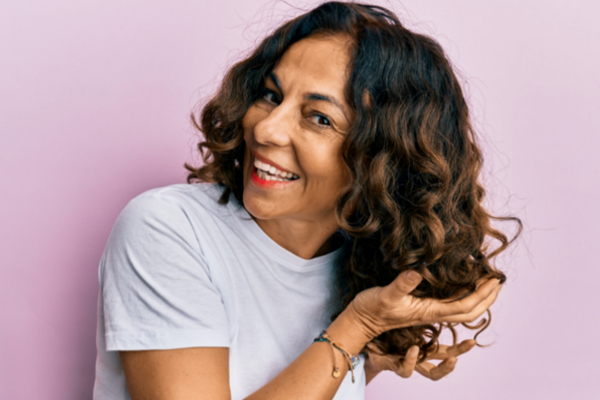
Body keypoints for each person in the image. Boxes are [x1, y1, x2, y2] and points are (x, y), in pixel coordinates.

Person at [93, 2, 520, 399]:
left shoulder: (359, 266)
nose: (267, 131)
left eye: (319, 118)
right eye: (271, 95)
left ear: (381, 159)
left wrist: (367, 361)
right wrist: (356, 329)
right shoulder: (167, 227)